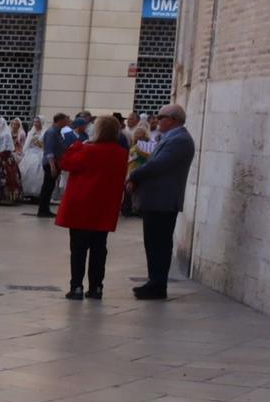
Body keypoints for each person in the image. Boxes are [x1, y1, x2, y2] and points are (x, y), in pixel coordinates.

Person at [54, 113, 128, 300]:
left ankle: (77, 286)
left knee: (78, 249)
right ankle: (96, 287)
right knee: (99, 249)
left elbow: (66, 162)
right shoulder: (121, 154)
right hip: (104, 207)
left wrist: (80, 143)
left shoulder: (87, 150)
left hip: (82, 206)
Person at [127, 102, 195, 300]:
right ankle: (154, 281)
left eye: (161, 117)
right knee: (153, 243)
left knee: (159, 244)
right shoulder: (171, 138)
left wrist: (134, 176)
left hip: (163, 200)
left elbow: (158, 165)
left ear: (172, 120)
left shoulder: (180, 140)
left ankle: (157, 285)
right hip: (156, 199)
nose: (157, 121)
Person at [38, 113, 77, 216]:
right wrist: (52, 166)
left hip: (56, 163)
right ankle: (42, 210)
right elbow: (49, 150)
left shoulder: (58, 132)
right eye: (65, 120)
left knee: (50, 187)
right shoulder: (51, 132)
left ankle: (45, 208)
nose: (67, 121)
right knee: (47, 186)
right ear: (59, 121)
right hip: (51, 163)